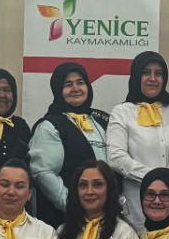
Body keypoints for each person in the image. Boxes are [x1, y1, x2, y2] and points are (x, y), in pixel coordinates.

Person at [108, 51, 169, 233]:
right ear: (136, 76)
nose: (152, 78)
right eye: (146, 72)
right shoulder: (122, 112)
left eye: (158, 73)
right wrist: (155, 179)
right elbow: (116, 158)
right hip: (137, 205)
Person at [29, 62, 109, 227]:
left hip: (105, 215)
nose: (75, 88)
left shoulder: (101, 121)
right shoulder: (49, 126)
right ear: (58, 90)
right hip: (69, 220)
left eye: (80, 82)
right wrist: (74, 206)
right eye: (68, 84)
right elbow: (43, 173)